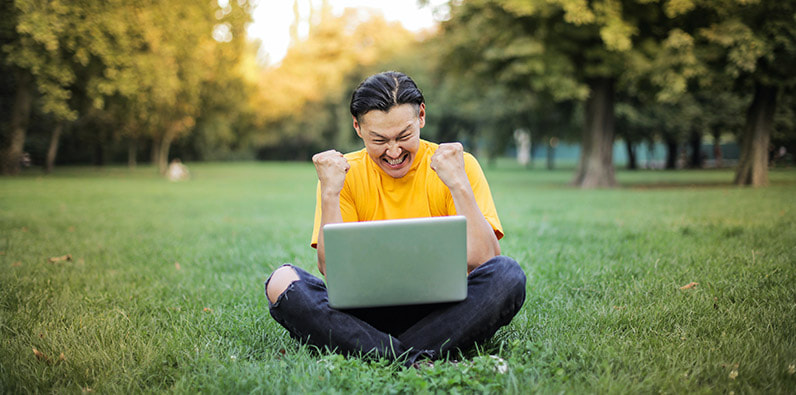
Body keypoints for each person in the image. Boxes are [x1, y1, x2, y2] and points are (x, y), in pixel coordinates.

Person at [264, 71, 526, 366]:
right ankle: (416, 357)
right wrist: (329, 193)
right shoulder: (341, 174)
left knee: (508, 274)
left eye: (404, 136)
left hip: (443, 312)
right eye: (379, 140)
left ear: (421, 116)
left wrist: (458, 184)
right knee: (280, 281)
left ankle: (376, 352)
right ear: (357, 127)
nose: (393, 151)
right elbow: (331, 269)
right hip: (365, 313)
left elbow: (487, 260)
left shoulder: (457, 165)